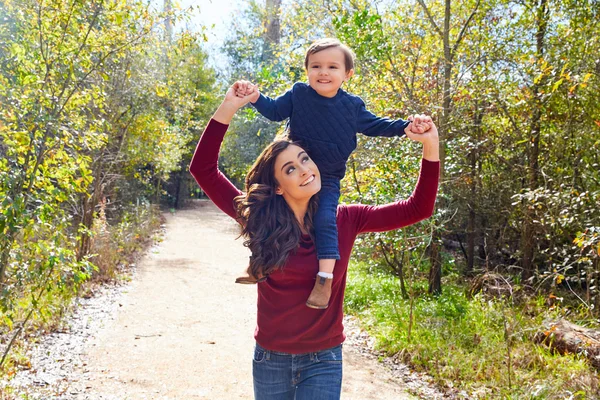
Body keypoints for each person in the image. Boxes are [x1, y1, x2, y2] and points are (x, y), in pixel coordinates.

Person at [189, 83, 439, 400]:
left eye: (305, 159)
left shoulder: (345, 219)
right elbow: (203, 170)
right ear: (278, 186)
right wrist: (228, 106)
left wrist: (430, 145)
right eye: (290, 168)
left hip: (324, 358)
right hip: (270, 359)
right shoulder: (259, 217)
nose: (305, 170)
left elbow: (419, 208)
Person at [234, 38, 432, 309]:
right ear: (306, 71)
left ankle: (324, 279)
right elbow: (274, 111)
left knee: (326, 219)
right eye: (316, 66)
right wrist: (254, 95)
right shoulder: (298, 95)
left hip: (326, 177)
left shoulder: (352, 107)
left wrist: (408, 126)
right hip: (294, 172)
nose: (323, 72)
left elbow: (377, 125)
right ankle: (259, 260)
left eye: (332, 67)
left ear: (347, 74)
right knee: (267, 202)